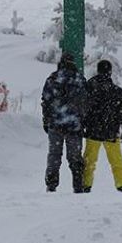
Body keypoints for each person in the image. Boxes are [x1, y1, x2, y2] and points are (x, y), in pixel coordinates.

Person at [42, 52, 88, 193]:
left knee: (54, 154)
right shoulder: (79, 79)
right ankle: (78, 184)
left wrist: (46, 120)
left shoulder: (52, 79)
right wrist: (83, 121)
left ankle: (51, 184)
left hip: (55, 124)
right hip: (74, 125)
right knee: (74, 156)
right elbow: (86, 103)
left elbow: (46, 101)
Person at [82, 60, 122, 193]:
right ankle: (121, 183)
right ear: (110, 72)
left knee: (89, 159)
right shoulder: (116, 90)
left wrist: (82, 125)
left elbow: (83, 107)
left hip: (93, 130)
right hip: (111, 131)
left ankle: (86, 184)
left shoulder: (90, 87)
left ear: (98, 70)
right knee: (116, 159)